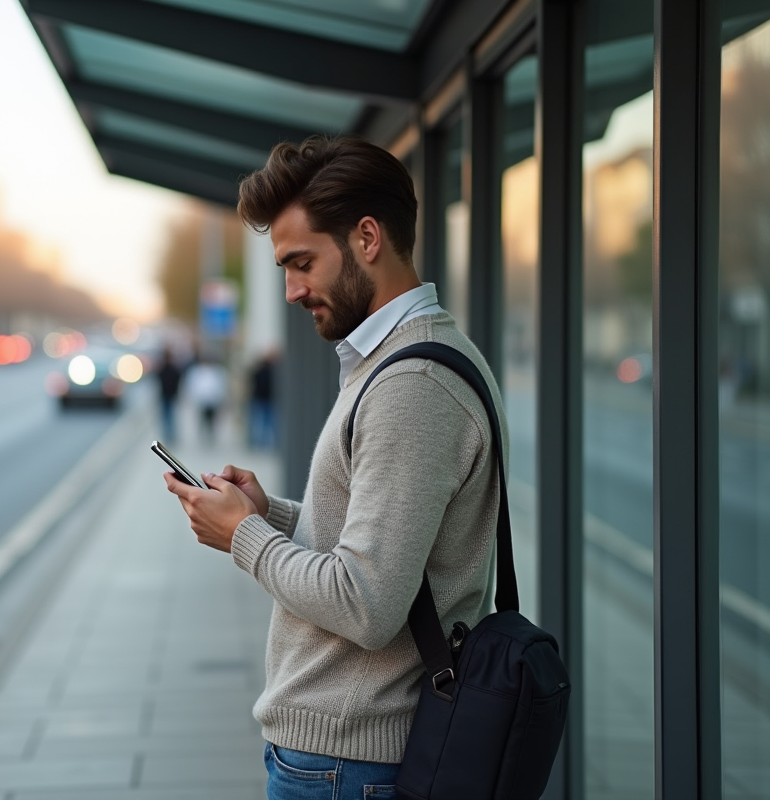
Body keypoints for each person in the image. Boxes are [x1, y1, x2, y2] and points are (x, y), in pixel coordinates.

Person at [162, 136, 507, 800]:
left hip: (351, 767)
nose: (292, 290)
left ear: (368, 238)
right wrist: (273, 514)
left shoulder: (413, 385)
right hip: (347, 760)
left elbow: (366, 601)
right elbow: (386, 540)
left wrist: (243, 537)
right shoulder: (396, 363)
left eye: (302, 262)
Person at [184, 353, 228, 446]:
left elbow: (220, 386)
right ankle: (203, 435)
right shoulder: (197, 371)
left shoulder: (217, 371)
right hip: (202, 400)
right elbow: (193, 385)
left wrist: (219, 398)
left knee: (211, 419)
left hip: (212, 400)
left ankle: (210, 435)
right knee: (202, 419)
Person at [248, 350, 278, 450]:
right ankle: (264, 442)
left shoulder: (260, 372)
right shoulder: (271, 371)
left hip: (261, 399)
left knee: (262, 421)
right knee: (266, 422)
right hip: (265, 399)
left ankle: (261, 443)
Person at [156, 348, 183, 442]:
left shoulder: (164, 369)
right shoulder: (172, 369)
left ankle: (169, 434)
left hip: (167, 394)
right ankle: (170, 434)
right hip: (168, 394)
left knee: (167, 415)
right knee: (169, 415)